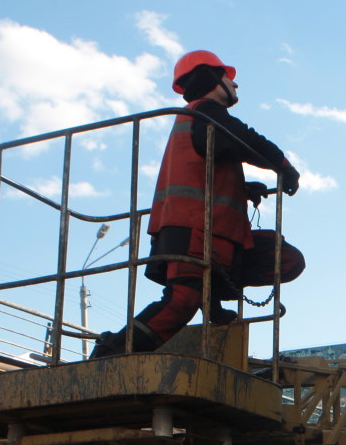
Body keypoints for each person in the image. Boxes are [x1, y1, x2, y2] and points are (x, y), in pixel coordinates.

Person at [91, 50, 306, 357]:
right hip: (192, 227)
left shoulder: (200, 122)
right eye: (228, 77)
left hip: (212, 231)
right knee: (181, 300)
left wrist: (242, 188)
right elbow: (242, 138)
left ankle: (212, 299)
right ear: (210, 77)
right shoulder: (204, 113)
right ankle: (111, 353)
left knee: (285, 258)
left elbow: (204, 165)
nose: (235, 84)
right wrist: (282, 165)